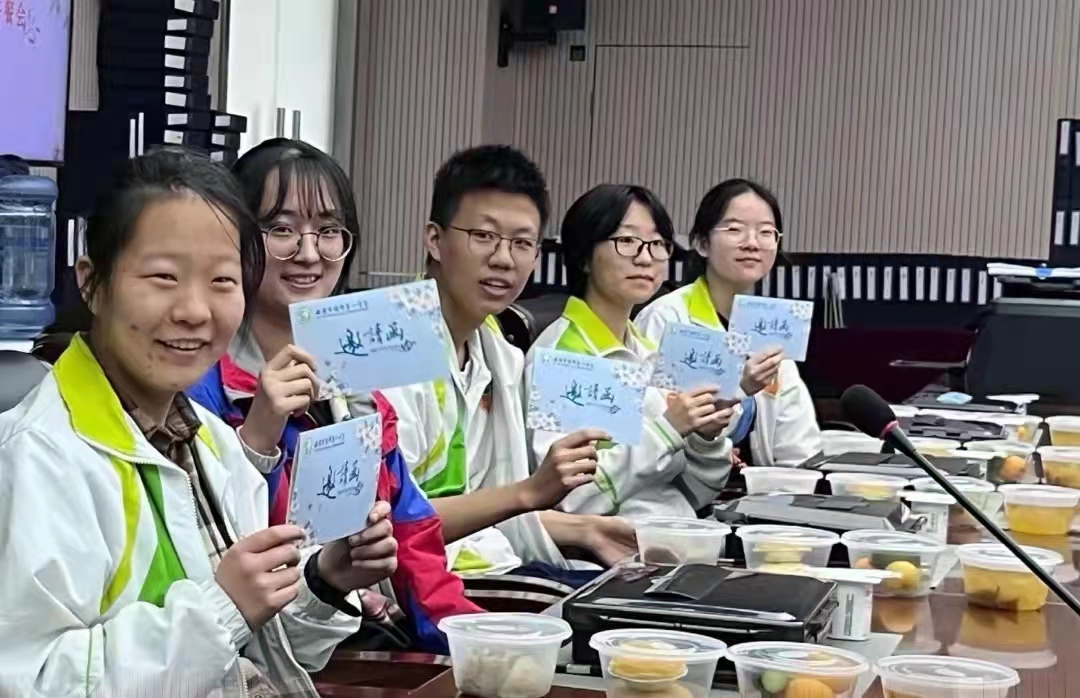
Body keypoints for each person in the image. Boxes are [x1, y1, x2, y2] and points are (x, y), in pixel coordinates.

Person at [0, 149, 395, 696]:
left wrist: (325, 578)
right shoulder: (37, 458)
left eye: (222, 281)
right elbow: (33, 681)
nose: (195, 310)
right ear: (92, 284)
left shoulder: (211, 442)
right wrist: (223, 608)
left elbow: (260, 650)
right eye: (164, 276)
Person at [186, 138, 482, 653]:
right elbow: (208, 543)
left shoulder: (359, 381)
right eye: (281, 229)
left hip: (354, 637)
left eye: (328, 231)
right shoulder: (200, 382)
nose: (309, 254)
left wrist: (470, 639)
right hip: (256, 654)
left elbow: (412, 531)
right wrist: (258, 436)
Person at [384, 146, 637, 582]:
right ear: (434, 240)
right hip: (414, 584)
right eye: (484, 236)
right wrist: (531, 493)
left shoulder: (499, 353)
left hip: (480, 564)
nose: (503, 258)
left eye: (521, 243)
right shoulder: (392, 345)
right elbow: (387, 522)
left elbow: (489, 503)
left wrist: (584, 529)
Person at [526, 184, 737, 520]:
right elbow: (572, 499)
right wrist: (667, 431)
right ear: (583, 256)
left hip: (678, 532)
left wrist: (705, 439)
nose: (645, 258)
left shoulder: (649, 353)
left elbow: (697, 491)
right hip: (610, 546)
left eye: (657, 244)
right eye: (626, 241)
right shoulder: (563, 357)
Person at [635, 179, 822, 467]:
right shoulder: (667, 318)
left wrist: (798, 480)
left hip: (760, 487)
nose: (752, 243)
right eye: (734, 229)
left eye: (766, 232)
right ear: (702, 243)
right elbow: (650, 426)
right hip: (675, 483)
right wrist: (738, 388)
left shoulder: (772, 326)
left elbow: (797, 439)